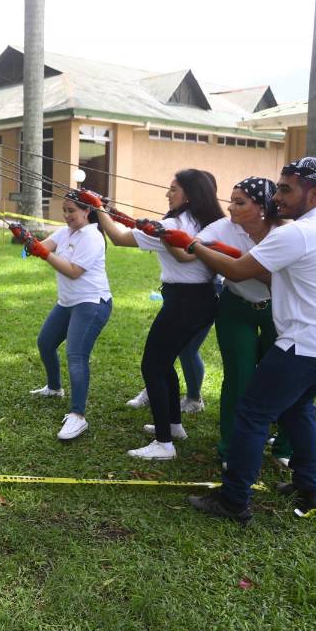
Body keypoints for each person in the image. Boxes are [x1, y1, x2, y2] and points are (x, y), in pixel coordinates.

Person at [184, 157, 316, 523]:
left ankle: (234, 500)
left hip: (309, 345)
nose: (277, 196)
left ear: (314, 193)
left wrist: (196, 247)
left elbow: (237, 270)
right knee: (298, 408)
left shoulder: (295, 233)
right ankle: (307, 487)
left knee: (251, 414)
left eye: (286, 189)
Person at [93, 169, 224, 459]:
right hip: (204, 301)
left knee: (152, 366)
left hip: (183, 302)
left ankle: (164, 444)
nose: (168, 194)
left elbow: (119, 237)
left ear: (188, 194)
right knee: (164, 363)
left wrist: (99, 209)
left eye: (173, 189)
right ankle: (174, 426)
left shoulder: (172, 225)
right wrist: (109, 209)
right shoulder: (212, 223)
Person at [197, 177, 291, 468]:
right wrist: (170, 236)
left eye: (240, 203)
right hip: (236, 307)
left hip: (279, 310)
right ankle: (231, 448)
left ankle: (285, 447)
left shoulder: (285, 232)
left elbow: (283, 279)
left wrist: (242, 262)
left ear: (262, 207)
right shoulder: (223, 228)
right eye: (231, 201)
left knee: (284, 377)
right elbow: (192, 244)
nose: (231, 208)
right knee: (238, 377)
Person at [23, 194, 113, 441]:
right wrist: (28, 240)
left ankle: (78, 416)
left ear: (87, 211)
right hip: (68, 302)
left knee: (76, 355)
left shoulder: (92, 236)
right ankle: (54, 389)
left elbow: (73, 272)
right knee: (45, 342)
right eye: (64, 210)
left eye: (71, 210)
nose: (67, 215)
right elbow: (44, 246)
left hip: (92, 303)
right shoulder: (65, 232)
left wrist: (42, 253)